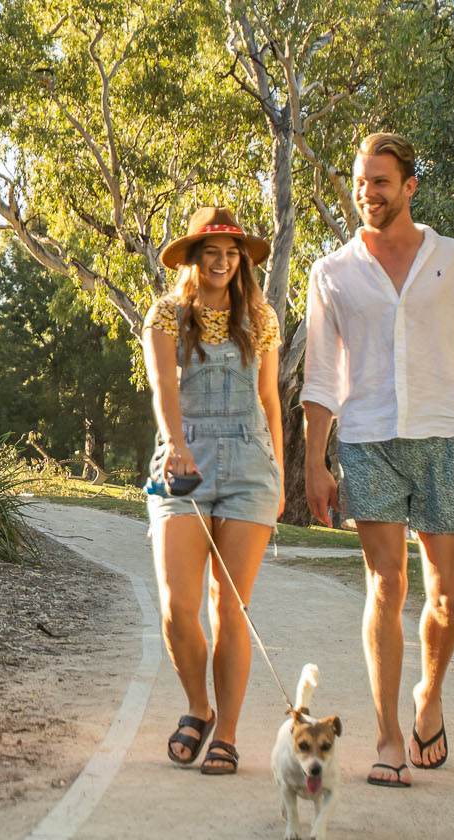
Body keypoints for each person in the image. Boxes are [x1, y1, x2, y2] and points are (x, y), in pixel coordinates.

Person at [300, 133, 454, 788]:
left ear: (409, 187)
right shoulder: (332, 272)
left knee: (449, 595)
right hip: (368, 438)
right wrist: (316, 462)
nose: (367, 193)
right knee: (386, 584)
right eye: (360, 181)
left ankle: (428, 694)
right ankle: (386, 734)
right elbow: (321, 377)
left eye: (380, 181)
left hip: (443, 437)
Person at [143, 206, 285, 776]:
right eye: (212, 252)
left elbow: (271, 400)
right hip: (184, 461)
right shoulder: (166, 314)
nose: (223, 261)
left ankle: (225, 733)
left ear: (242, 260)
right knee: (179, 606)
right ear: (195, 259)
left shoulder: (261, 318)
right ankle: (198, 706)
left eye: (233, 252)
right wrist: (176, 442)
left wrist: (277, 472)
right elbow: (163, 387)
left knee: (231, 606)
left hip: (251, 464)